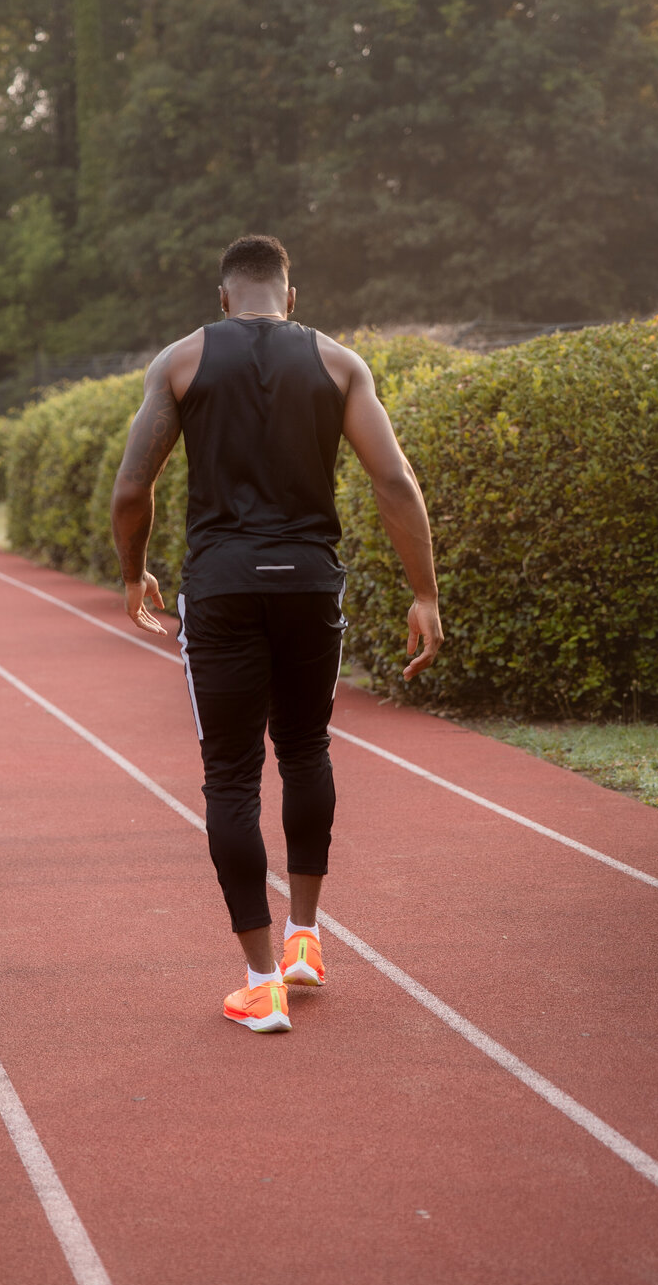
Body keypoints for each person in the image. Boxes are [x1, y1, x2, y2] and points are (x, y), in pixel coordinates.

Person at [111, 234, 442, 1033]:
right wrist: (425, 592)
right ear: (291, 298)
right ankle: (306, 939)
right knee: (305, 750)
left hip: (221, 588)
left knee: (230, 777)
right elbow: (393, 479)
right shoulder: (339, 364)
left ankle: (261, 985)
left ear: (224, 298)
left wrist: (133, 571)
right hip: (308, 585)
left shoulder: (182, 362)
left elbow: (132, 486)